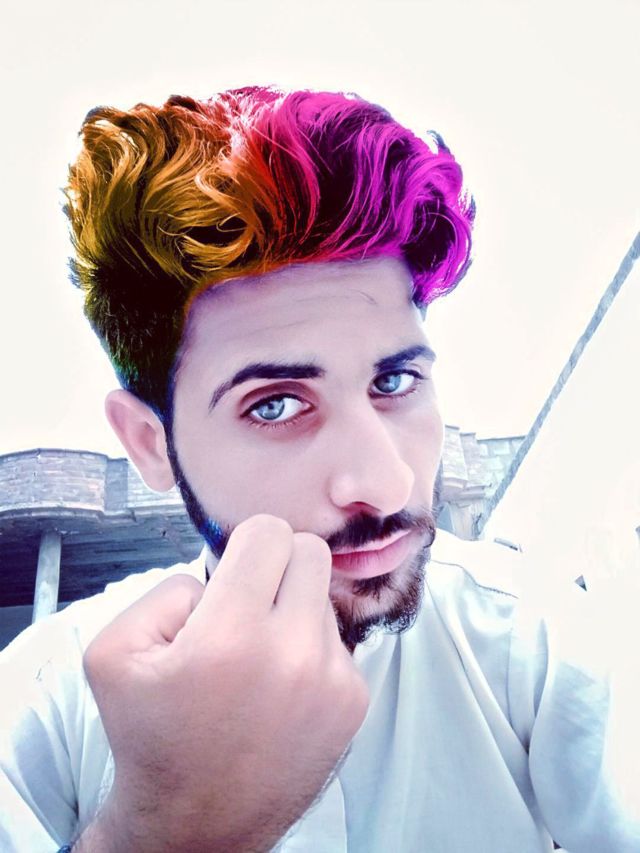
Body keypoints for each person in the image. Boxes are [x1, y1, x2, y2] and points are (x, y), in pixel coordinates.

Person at [0, 86, 637, 852]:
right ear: (151, 443)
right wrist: (158, 829)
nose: (386, 482)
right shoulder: (45, 698)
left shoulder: (534, 641)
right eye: (275, 405)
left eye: (394, 380)